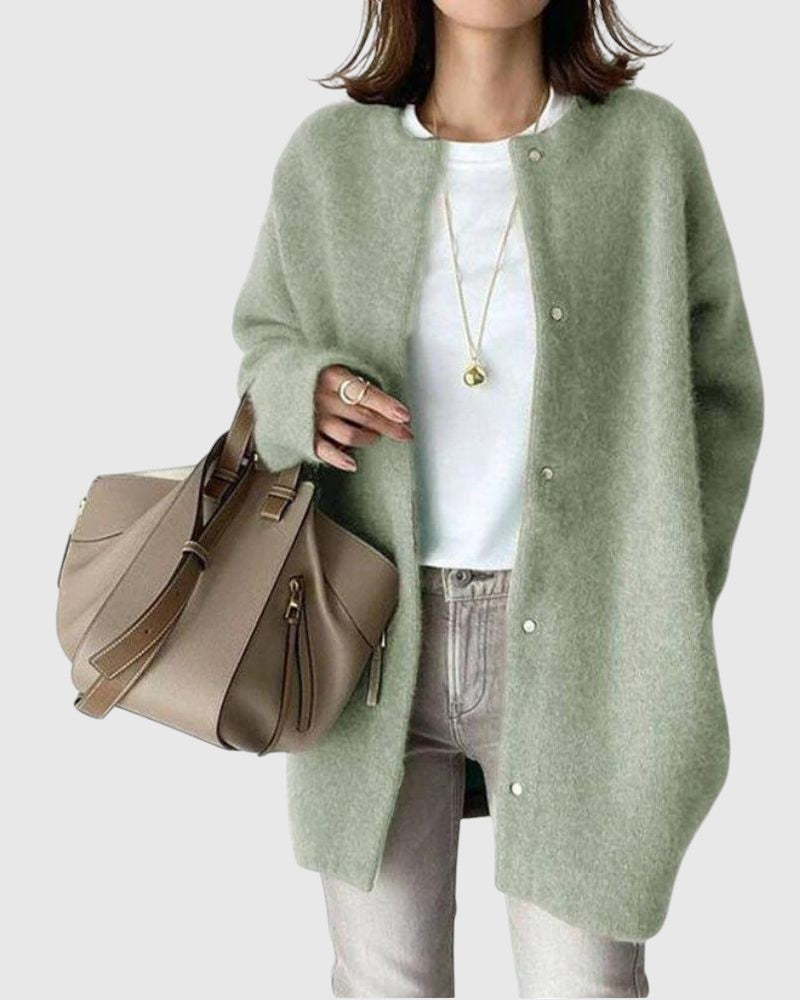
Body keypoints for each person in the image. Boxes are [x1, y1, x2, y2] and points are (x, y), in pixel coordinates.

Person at [232, 1, 764, 996]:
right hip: (368, 639)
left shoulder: (646, 153)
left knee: (583, 982)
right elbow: (264, 350)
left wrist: (660, 595)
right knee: (384, 982)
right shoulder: (328, 162)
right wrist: (302, 391)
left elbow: (723, 394)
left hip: (585, 644)